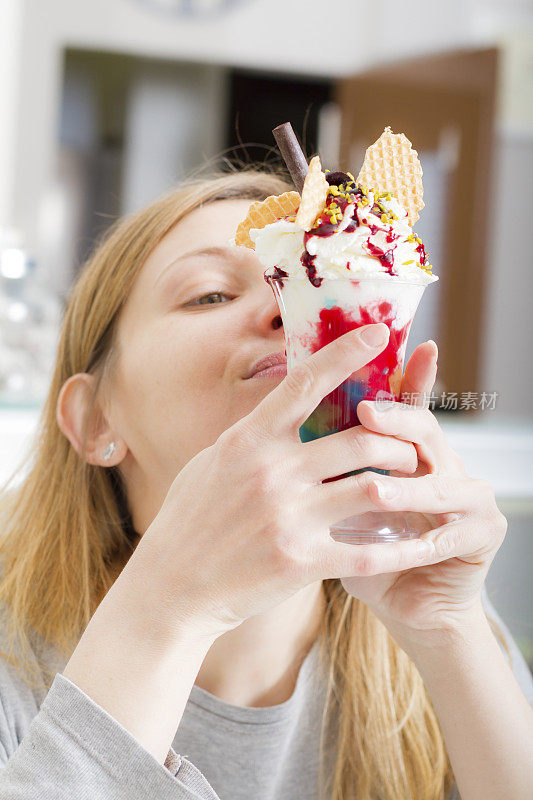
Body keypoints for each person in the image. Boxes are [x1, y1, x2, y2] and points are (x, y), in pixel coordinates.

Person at [0, 167, 531, 800]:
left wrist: (448, 630)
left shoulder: (433, 622)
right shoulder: (15, 668)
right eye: (210, 295)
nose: (290, 308)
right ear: (94, 421)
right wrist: (166, 609)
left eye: (316, 279)